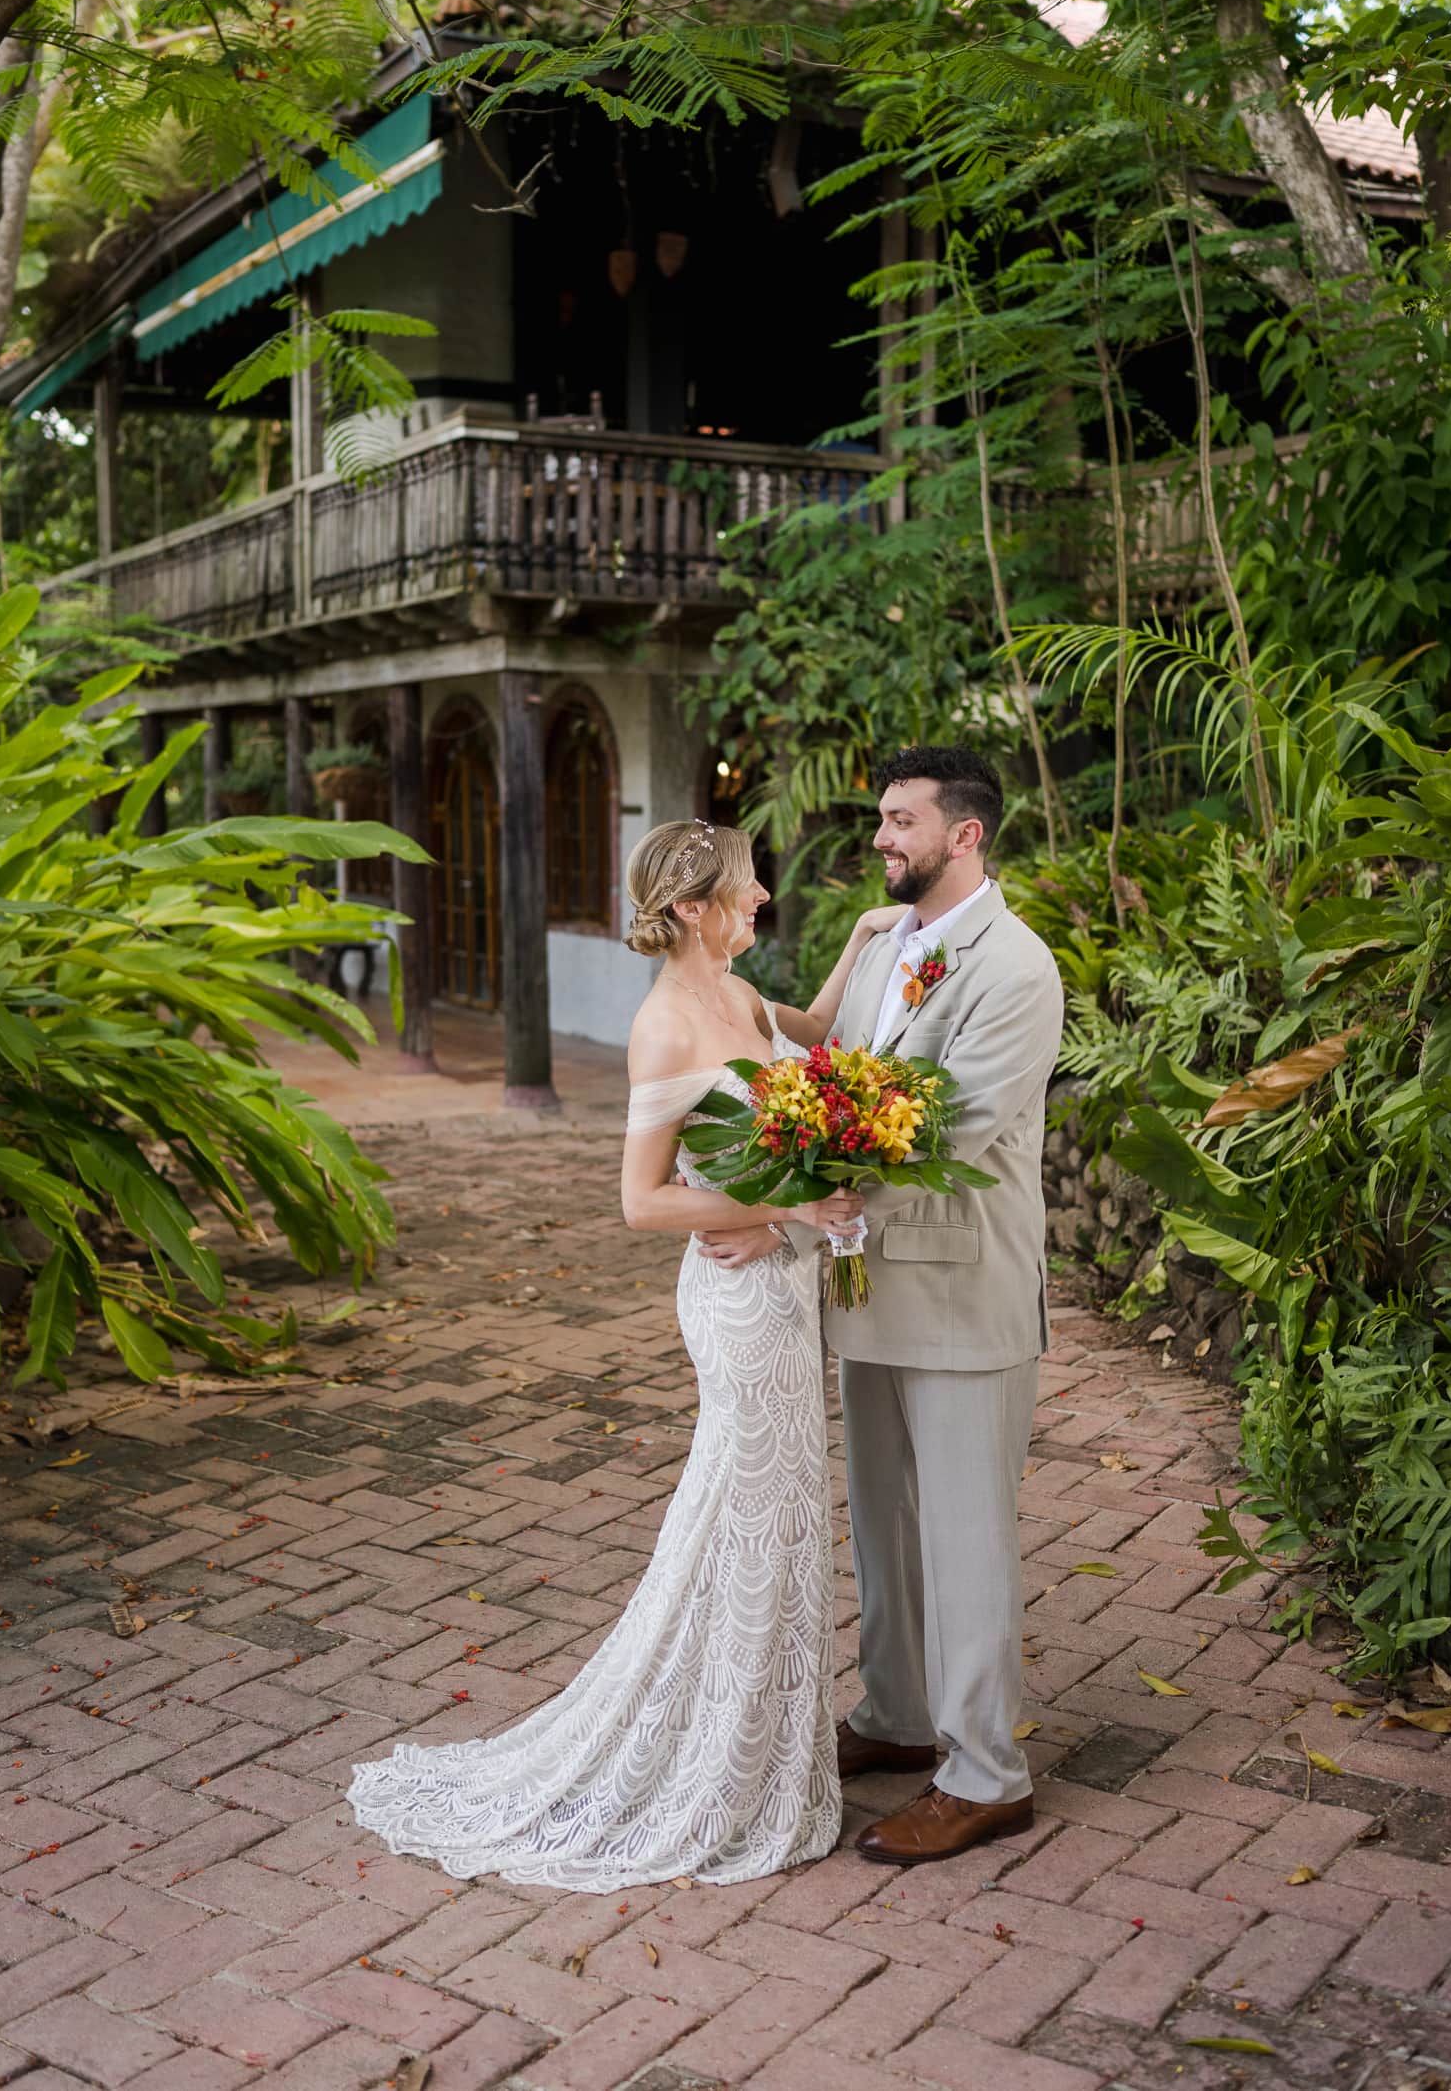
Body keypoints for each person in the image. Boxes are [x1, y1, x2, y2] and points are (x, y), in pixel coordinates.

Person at [346, 817, 899, 1890]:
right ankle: (711, 1766)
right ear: (691, 907)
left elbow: (821, 1030)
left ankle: (757, 1750)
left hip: (782, 1281)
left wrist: (871, 933)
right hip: (738, 1303)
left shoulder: (738, 996)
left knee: (780, 1518)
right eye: (744, 890)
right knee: (744, 1518)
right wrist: (778, 1201)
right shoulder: (661, 1028)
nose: (762, 902)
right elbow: (642, 1199)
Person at [821, 744, 1064, 1865]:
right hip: (871, 1276)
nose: (882, 837)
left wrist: (783, 1177)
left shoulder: (1015, 970)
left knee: (965, 1536)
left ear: (964, 834)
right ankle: (898, 1716)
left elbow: (943, 1123)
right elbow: (835, 1064)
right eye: (882, 818)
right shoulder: (891, 945)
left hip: (962, 1288)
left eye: (900, 820)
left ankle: (986, 1775)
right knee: (884, 1518)